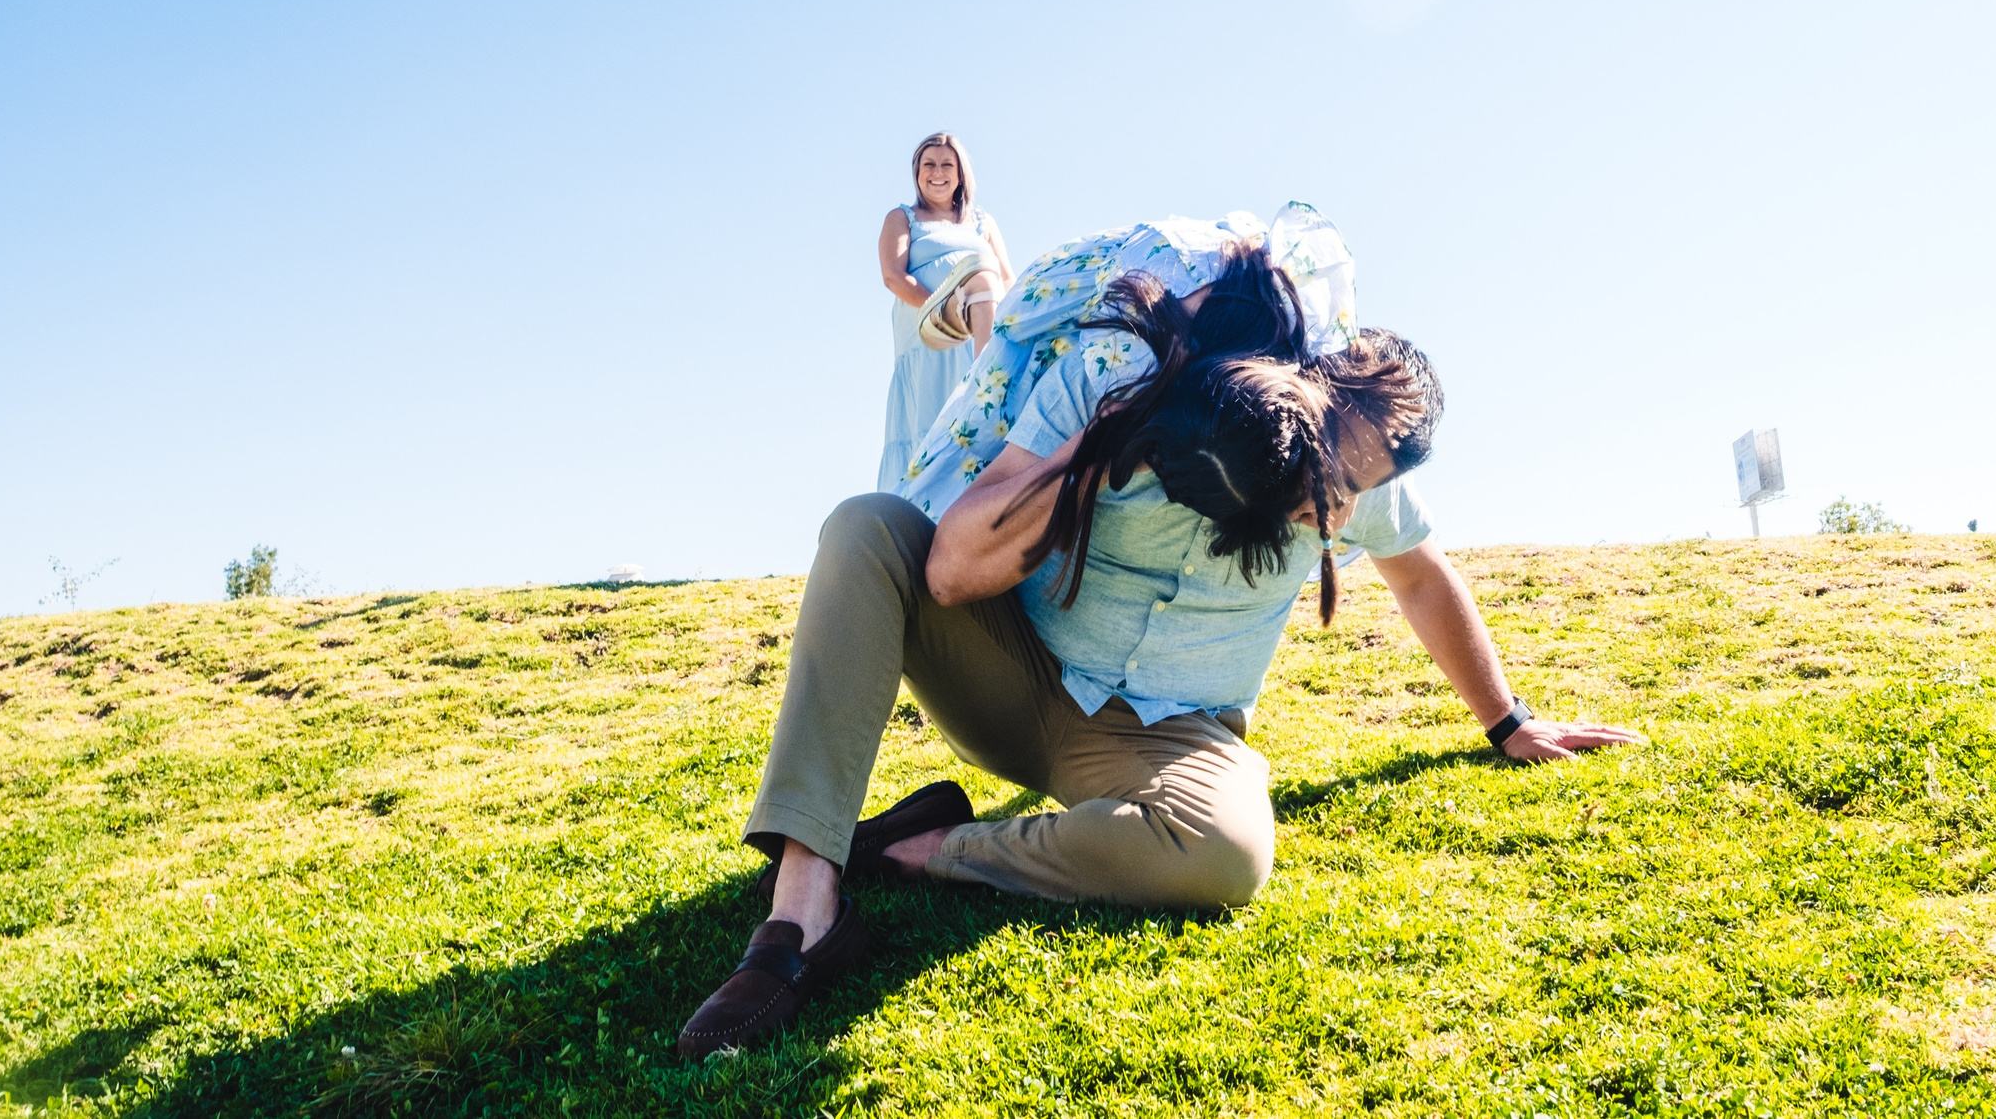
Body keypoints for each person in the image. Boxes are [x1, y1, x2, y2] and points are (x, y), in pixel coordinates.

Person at [677, 209, 1644, 1059]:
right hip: (1014, 674)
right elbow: (951, 566)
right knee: (864, 526)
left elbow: (1422, 577)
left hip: (1170, 738)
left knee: (1227, 853)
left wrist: (1506, 719)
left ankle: (932, 846)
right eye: (1327, 476)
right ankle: (802, 909)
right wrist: (1106, 451)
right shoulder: (1121, 387)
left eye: (1353, 492)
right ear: (1307, 393)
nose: (1332, 508)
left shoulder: (1362, 481)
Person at [877, 133, 1011, 492]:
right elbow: (893, 275)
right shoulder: (903, 218)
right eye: (929, 165)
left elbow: (1008, 280)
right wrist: (942, 311)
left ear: (961, 174)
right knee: (927, 424)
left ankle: (988, 378)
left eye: (946, 165)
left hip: (977, 339)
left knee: (975, 423)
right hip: (929, 338)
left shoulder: (982, 223)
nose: (937, 172)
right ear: (917, 173)